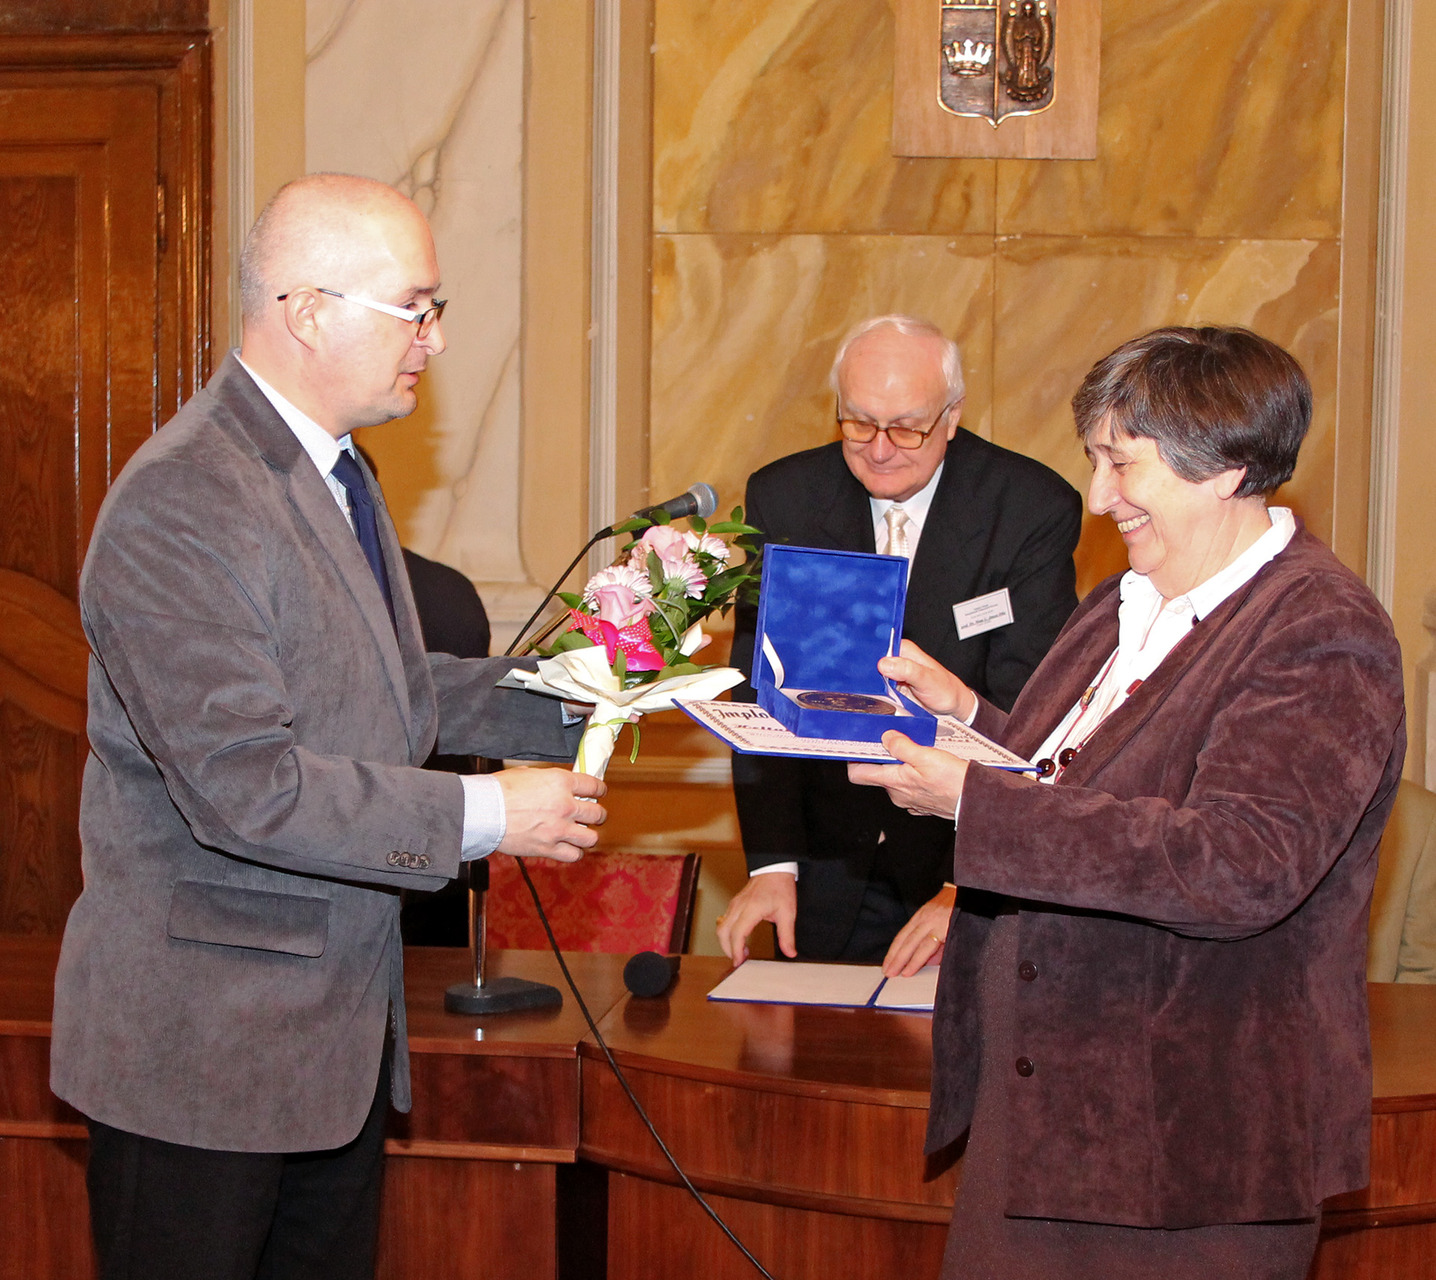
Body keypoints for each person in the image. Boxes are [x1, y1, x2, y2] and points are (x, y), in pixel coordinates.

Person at [49, 173, 606, 1280]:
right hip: (203, 1059)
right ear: (307, 311)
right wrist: (488, 813)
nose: (436, 340)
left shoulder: (338, 468)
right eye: (416, 308)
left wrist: (593, 695)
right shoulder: (185, 496)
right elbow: (246, 786)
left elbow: (389, 686)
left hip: (329, 1043)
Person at [849, 326, 1406, 1277]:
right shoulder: (1123, 601)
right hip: (1047, 1117)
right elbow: (1080, 781)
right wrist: (968, 717)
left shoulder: (1319, 629)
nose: (1100, 496)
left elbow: (1240, 863)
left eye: (1122, 463)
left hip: (1185, 1154)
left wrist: (975, 805)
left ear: (1226, 467)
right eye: (1095, 460)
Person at [718, 315, 1082, 968]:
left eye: (907, 427)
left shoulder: (1028, 507)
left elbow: (1029, 712)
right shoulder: (786, 497)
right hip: (825, 867)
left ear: (952, 416)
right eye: (859, 423)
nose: (880, 449)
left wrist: (969, 886)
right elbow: (759, 689)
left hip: (960, 865)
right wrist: (773, 865)